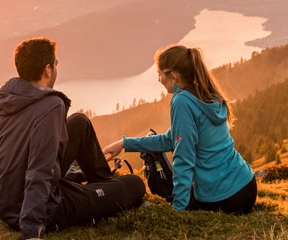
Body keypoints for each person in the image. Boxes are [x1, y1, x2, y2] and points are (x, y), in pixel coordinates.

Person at [0, 37, 146, 240]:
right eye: (56, 64)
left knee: (79, 122)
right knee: (135, 184)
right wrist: (32, 231)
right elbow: (40, 168)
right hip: (41, 210)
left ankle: (101, 182)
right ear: (48, 69)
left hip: (5, 201)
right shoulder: (50, 106)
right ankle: (100, 190)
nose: (57, 69)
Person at [103, 44, 257, 214]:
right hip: (246, 183)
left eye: (159, 74)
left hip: (227, 197)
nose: (159, 79)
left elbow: (184, 157)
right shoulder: (204, 91)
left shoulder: (182, 102)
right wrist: (124, 143)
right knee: (188, 191)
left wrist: (179, 209)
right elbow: (170, 140)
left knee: (179, 196)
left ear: (173, 77)